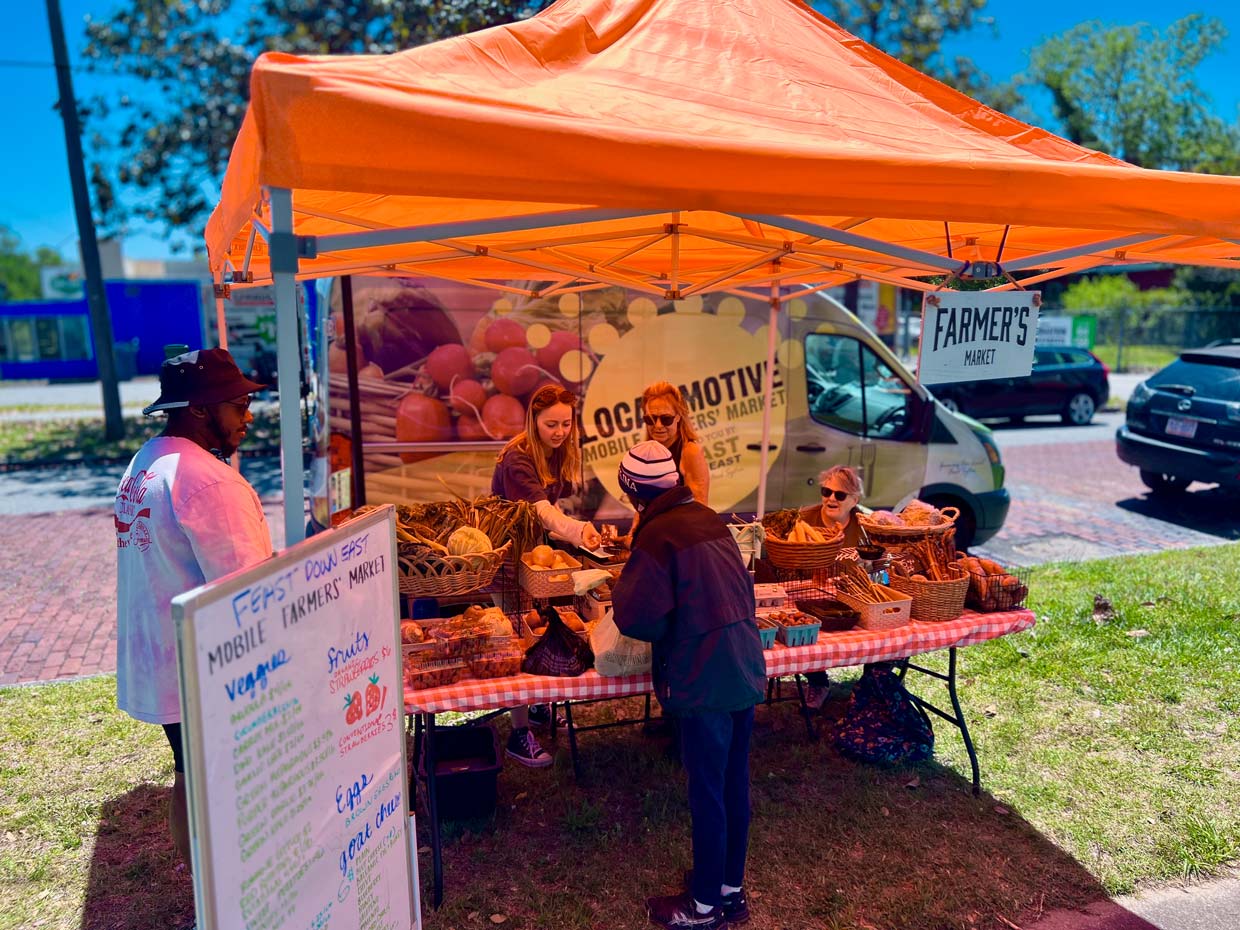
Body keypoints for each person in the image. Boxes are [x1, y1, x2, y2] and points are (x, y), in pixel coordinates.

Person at [115, 347, 273, 873]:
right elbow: (249, 593)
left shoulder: (146, 461)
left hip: (162, 657)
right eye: (238, 405)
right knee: (221, 784)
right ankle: (224, 896)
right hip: (208, 669)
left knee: (189, 772)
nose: (248, 417)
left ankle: (206, 893)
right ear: (201, 410)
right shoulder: (209, 481)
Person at [612, 440, 766, 930]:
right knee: (732, 782)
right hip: (743, 662)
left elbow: (637, 618)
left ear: (633, 492)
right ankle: (729, 889)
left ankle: (702, 908)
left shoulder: (658, 536)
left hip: (704, 676)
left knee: (707, 790)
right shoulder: (708, 517)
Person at [492, 383, 602, 766]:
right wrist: (576, 529)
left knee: (537, 629)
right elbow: (542, 512)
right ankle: (518, 733)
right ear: (533, 420)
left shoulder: (553, 452)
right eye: (550, 424)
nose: (559, 432)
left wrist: (572, 533)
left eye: (566, 424)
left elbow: (548, 518)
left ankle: (536, 709)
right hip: (507, 559)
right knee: (517, 642)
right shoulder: (518, 459)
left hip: (533, 559)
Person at [800, 465, 864, 712]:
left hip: (851, 596)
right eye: (826, 492)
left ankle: (872, 685)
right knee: (804, 631)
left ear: (854, 500)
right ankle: (818, 683)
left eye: (839, 495)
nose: (830, 499)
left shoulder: (863, 525)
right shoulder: (804, 519)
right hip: (809, 595)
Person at [640, 381, 710, 505]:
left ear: (678, 416)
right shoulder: (645, 453)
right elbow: (642, 508)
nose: (658, 425)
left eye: (666, 419)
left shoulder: (690, 451)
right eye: (650, 419)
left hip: (680, 524)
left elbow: (699, 507)